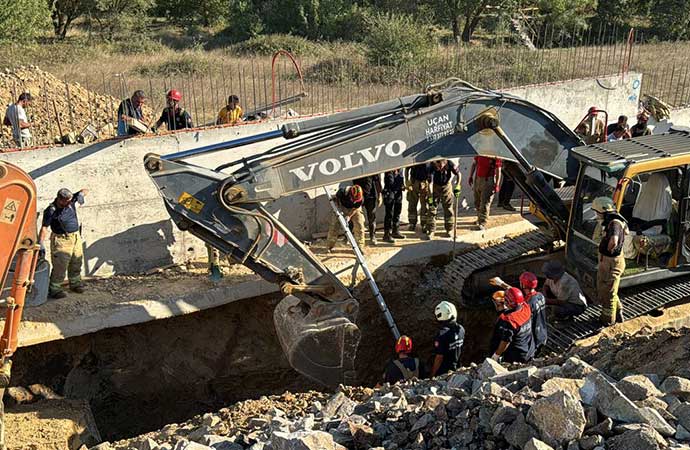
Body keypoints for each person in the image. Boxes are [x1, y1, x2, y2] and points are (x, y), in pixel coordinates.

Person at [39, 188, 89, 299]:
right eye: (67, 201)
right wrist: (41, 243)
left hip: (75, 237)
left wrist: (81, 194)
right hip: (61, 240)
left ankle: (75, 284)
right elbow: (44, 227)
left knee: (76, 261)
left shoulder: (71, 200)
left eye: (71, 200)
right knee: (60, 266)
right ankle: (55, 289)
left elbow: (85, 190)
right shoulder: (51, 210)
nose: (70, 203)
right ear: (60, 200)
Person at [489, 272, 548, 353]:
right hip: (543, 332)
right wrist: (501, 283)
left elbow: (518, 302)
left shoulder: (528, 305)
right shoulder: (540, 295)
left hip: (535, 337)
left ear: (523, 284)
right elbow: (518, 296)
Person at [593, 196, 628, 325]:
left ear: (603, 211)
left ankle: (608, 321)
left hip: (611, 263)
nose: (596, 215)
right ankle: (619, 313)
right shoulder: (611, 221)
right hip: (607, 262)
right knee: (608, 290)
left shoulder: (614, 223)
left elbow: (614, 241)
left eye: (597, 212)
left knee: (609, 293)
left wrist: (607, 251)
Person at [489, 287, 535, 363]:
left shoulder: (510, 321)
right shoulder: (525, 306)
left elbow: (505, 341)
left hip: (517, 356)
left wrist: (496, 356)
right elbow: (517, 297)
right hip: (529, 349)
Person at [423, 159, 461, 239]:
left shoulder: (450, 163)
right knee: (432, 209)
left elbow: (459, 174)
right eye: (438, 166)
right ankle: (431, 230)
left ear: (444, 163)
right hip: (435, 187)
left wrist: (458, 185)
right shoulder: (431, 165)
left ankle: (449, 229)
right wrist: (430, 195)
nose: (439, 168)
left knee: (448, 209)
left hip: (446, 187)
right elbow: (428, 182)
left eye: (441, 166)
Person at [430, 301, 465, 377]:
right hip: (457, 370)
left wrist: (432, 375)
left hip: (444, 374)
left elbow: (439, 358)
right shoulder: (461, 329)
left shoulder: (442, 334)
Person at [326, 185, 365, 251]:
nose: (354, 201)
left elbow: (355, 208)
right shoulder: (342, 192)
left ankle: (360, 246)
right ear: (350, 194)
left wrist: (349, 216)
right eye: (353, 199)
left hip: (353, 209)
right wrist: (339, 212)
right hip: (342, 206)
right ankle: (330, 245)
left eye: (356, 200)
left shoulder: (360, 199)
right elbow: (337, 201)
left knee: (359, 224)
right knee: (334, 225)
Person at [468, 156, 501, 230]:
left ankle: (482, 222)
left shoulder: (495, 156)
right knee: (477, 201)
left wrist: (497, 185)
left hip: (488, 180)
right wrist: (470, 176)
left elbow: (498, 170)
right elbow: (474, 164)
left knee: (485, 203)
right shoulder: (480, 153)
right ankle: (479, 218)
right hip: (478, 179)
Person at [353, 175, 382, 245]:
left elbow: (377, 181)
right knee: (355, 217)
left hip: (371, 196)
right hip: (359, 196)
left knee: (372, 217)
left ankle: (372, 237)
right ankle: (349, 237)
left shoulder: (371, 167)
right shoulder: (356, 166)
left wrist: (379, 195)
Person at [406, 164, 431, 232]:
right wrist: (407, 181)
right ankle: (412, 223)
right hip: (413, 182)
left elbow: (431, 173)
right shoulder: (412, 159)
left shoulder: (428, 161)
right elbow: (407, 168)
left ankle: (424, 224)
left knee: (424, 205)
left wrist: (428, 185)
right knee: (412, 203)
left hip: (424, 183)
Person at [382, 168, 405, 243]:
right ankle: (386, 234)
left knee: (397, 212)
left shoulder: (400, 169)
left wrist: (403, 185)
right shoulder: (389, 169)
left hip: (398, 193)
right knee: (389, 214)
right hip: (390, 193)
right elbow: (390, 183)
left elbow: (401, 178)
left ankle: (395, 231)